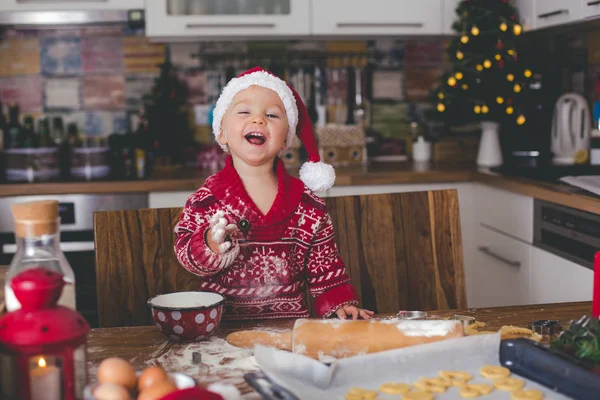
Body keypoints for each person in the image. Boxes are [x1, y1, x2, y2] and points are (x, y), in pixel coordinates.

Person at [174, 66, 373, 321]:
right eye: (244, 111)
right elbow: (186, 256)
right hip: (222, 336)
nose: (258, 119)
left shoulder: (309, 206)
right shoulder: (206, 200)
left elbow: (326, 269)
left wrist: (339, 303)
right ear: (221, 132)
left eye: (272, 115)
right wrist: (210, 245)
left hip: (288, 336)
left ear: (284, 140)